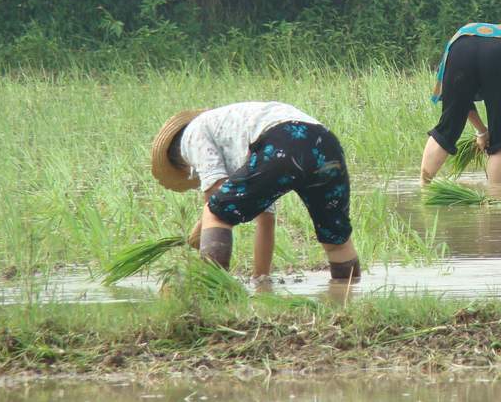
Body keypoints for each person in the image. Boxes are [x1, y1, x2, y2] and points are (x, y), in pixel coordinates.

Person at [150, 102, 360, 282]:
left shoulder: (192, 135)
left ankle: (210, 293)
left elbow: (216, 194)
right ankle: (348, 299)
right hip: (325, 143)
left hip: (282, 140)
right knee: (336, 239)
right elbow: (265, 220)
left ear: (184, 165)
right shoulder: (237, 135)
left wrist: (200, 233)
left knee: (216, 212)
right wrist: (262, 281)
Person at [422, 23, 501, 185]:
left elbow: (461, 101)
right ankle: (496, 199)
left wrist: (482, 132)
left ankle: (423, 189)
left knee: (446, 128)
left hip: (461, 46)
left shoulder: (467, 32)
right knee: (500, 139)